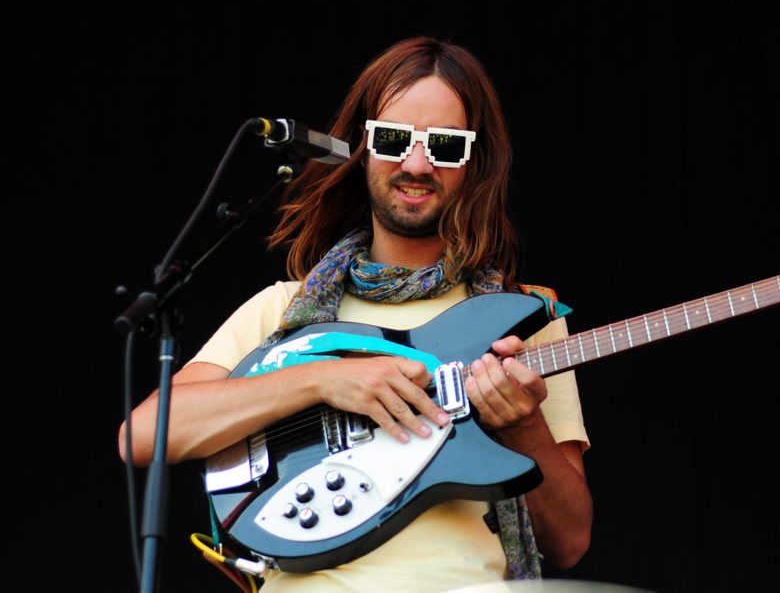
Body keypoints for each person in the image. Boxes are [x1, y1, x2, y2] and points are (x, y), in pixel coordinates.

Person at [120, 36, 592, 592]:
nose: (416, 164)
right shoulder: (282, 309)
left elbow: (569, 541)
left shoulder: (524, 318)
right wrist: (323, 380)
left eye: (445, 145)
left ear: (475, 163)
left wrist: (524, 428)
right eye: (394, 138)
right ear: (362, 147)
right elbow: (143, 434)